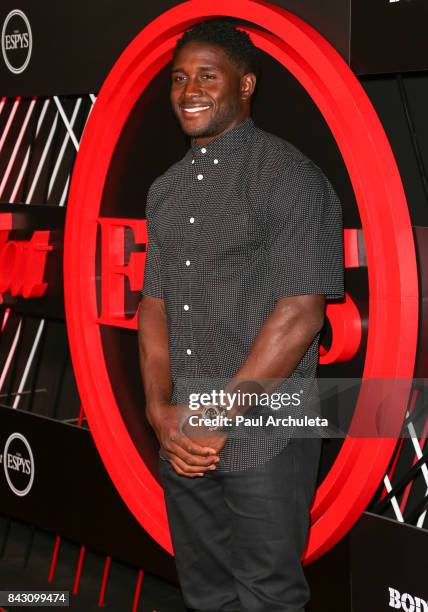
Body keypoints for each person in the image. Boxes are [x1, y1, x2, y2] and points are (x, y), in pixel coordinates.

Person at [138, 18, 344, 612]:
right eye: (178, 77)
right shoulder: (165, 191)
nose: (189, 89)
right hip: (184, 432)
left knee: (267, 599)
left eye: (208, 74)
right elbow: (154, 305)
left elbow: (302, 312)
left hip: (270, 425)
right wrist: (159, 411)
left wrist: (219, 418)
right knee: (205, 597)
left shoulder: (289, 175)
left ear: (246, 84)